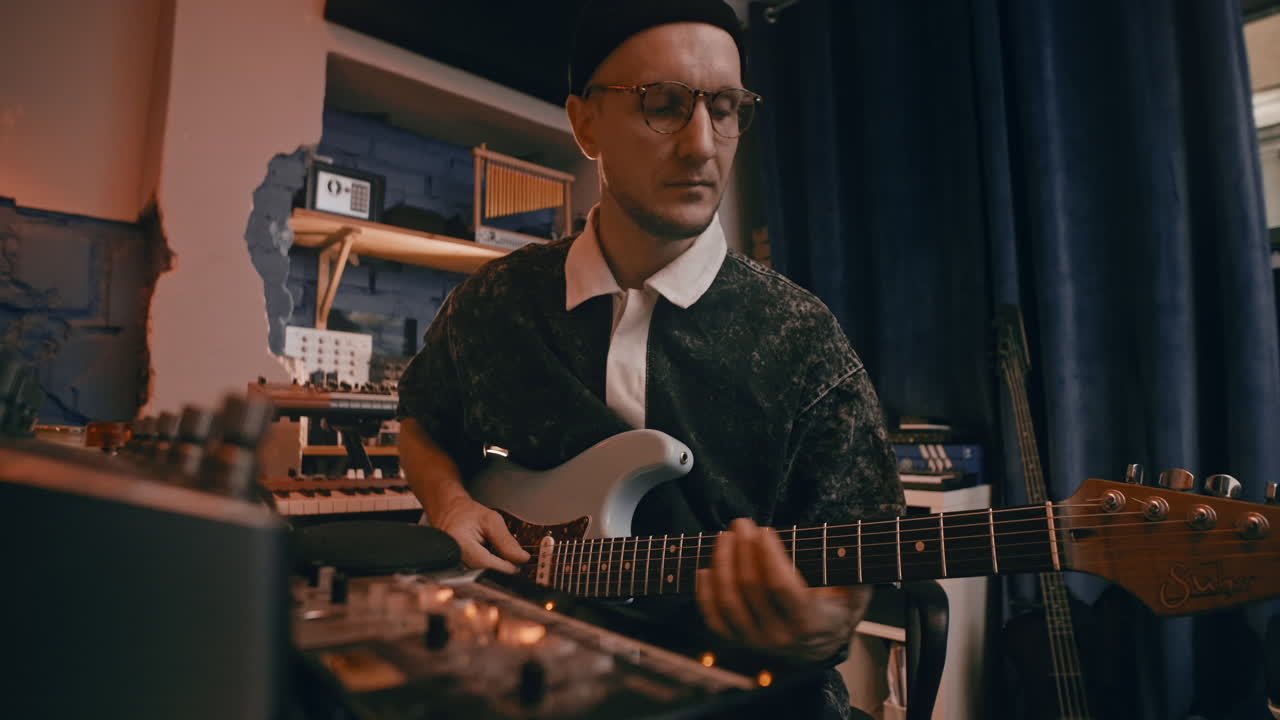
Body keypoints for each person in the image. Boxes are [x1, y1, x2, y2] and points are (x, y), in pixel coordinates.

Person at [397, 1, 904, 716]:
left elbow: (853, 556)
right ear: (584, 123)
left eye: (725, 108)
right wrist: (448, 501)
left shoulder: (805, 339)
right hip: (524, 681)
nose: (703, 144)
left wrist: (821, 626)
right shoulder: (500, 300)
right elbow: (419, 419)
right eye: (664, 105)